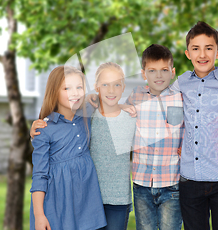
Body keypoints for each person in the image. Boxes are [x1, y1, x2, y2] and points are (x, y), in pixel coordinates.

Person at [30, 63, 135, 230]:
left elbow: (107, 102)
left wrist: (122, 107)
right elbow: (39, 177)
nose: (75, 93)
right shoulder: (44, 129)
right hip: (57, 205)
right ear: (54, 92)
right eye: (67, 88)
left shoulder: (86, 114)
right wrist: (39, 215)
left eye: (79, 87)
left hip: (86, 203)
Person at [171, 21, 218, 230]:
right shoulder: (180, 83)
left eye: (208, 48)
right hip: (190, 178)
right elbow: (171, 118)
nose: (202, 54)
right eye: (196, 48)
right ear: (187, 53)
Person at [125, 44, 183, 230]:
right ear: (144, 74)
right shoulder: (136, 96)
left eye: (164, 70)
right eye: (152, 71)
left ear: (172, 72)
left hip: (172, 183)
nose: (159, 76)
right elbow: (120, 116)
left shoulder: (181, 98)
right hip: (142, 183)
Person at [90, 62, 136, 230]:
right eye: (105, 85)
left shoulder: (131, 118)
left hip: (119, 200)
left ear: (123, 87)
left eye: (117, 84)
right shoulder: (89, 118)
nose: (111, 90)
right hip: (91, 198)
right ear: (96, 87)